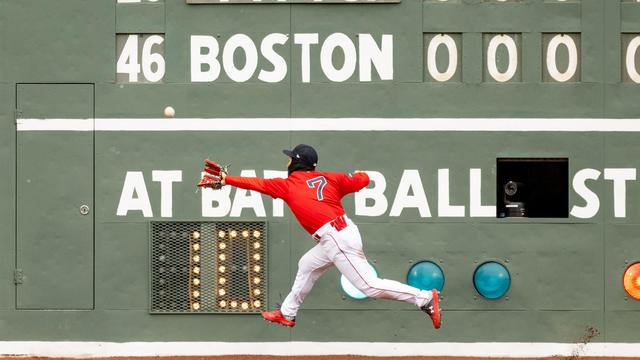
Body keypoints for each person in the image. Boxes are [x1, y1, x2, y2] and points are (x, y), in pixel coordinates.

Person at [219, 144, 441, 329]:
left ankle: (424, 298)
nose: (286, 162)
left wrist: (227, 179)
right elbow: (362, 181)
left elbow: (257, 184)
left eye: (289, 159)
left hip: (336, 237)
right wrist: (360, 175)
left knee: (368, 286)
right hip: (340, 233)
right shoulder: (331, 179)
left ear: (296, 162)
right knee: (307, 264)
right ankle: (288, 312)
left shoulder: (288, 185)